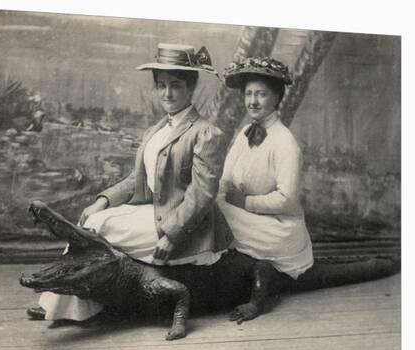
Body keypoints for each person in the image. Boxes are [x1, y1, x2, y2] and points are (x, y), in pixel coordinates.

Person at [27, 43, 233, 323]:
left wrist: (172, 235)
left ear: (190, 88)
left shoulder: (205, 133)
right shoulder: (157, 130)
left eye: (175, 86)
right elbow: (137, 179)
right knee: (92, 220)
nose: (167, 94)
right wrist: (102, 200)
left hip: (188, 225)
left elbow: (202, 194)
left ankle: (66, 307)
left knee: (97, 227)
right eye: (161, 86)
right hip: (155, 211)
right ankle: (63, 305)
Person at [217, 56, 314, 323]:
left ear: (276, 97)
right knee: (209, 210)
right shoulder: (246, 132)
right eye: (248, 94)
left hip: (279, 228)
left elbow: (286, 199)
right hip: (248, 219)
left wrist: (244, 202)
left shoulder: (284, 143)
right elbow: (224, 180)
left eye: (261, 94)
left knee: (215, 220)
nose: (253, 101)